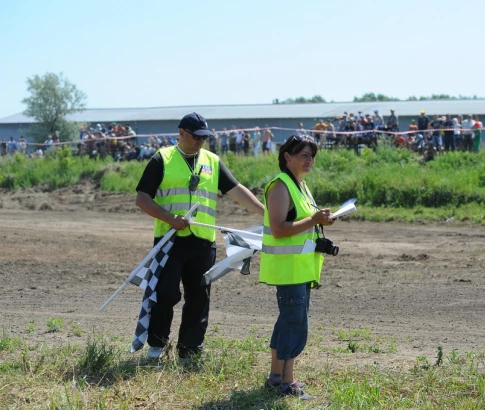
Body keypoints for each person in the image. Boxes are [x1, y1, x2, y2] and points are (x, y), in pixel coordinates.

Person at [135, 112, 264, 359]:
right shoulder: (161, 158)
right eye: (195, 137)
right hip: (169, 240)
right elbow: (142, 199)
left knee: (199, 296)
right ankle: (157, 345)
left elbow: (236, 190)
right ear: (181, 133)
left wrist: (266, 212)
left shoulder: (212, 161)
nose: (200, 142)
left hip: (203, 242)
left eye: (204, 138)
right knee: (165, 293)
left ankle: (190, 349)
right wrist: (170, 219)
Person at [259, 134, 336, 399]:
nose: (309, 159)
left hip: (300, 268)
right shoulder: (280, 186)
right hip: (288, 269)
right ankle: (286, 384)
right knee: (294, 324)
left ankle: (275, 377)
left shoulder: (300, 186)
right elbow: (279, 229)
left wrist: (320, 221)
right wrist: (314, 219)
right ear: (287, 157)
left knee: (287, 322)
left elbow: (301, 223)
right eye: (303, 154)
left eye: (312, 155)